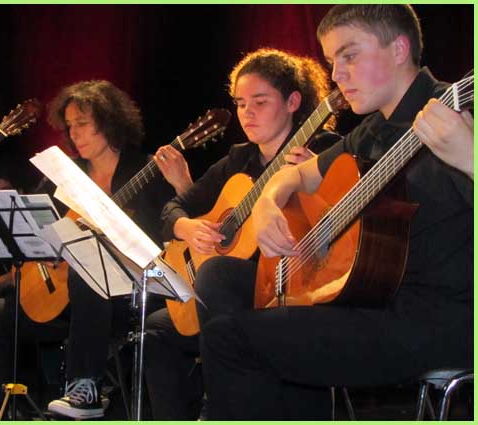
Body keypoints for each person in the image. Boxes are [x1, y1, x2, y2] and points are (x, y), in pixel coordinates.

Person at [199, 5, 473, 420]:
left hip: (440, 315)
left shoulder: (460, 113)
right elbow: (296, 175)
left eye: (349, 55)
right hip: (370, 296)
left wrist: (470, 158)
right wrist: (268, 203)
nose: (337, 75)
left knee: (228, 341)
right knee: (219, 275)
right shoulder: (374, 128)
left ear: (399, 49)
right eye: (331, 61)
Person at [0, 80, 193, 420]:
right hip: (60, 294)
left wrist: (183, 184)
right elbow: (30, 219)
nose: (74, 133)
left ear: (110, 122)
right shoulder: (66, 175)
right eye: (69, 125)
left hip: (125, 297)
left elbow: (182, 227)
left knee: (88, 265)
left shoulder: (146, 171)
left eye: (82, 123)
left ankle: (85, 387)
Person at [143, 48, 341, 420]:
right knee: (153, 331)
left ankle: (221, 406)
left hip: (291, 283)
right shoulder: (237, 159)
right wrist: (187, 227)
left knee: (216, 274)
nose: (247, 113)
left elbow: (348, 218)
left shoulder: (323, 150)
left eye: (260, 102)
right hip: (233, 293)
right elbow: (173, 209)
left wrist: (317, 181)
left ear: (293, 102)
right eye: (240, 104)